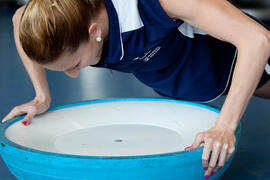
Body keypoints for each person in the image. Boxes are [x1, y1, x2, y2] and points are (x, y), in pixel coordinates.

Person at [2, 0, 270, 178]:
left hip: (233, 63)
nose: (73, 75)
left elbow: (256, 40)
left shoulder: (159, 3)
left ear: (94, 31)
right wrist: (41, 96)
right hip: (182, 80)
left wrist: (224, 127)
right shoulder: (57, 17)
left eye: (75, 64)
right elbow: (18, 19)